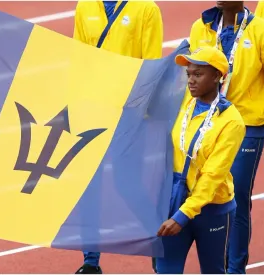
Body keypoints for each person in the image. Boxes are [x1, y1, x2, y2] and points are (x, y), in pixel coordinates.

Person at [72, 1, 164, 273]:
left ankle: (162, 246)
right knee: (88, 188)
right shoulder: (85, 6)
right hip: (93, 111)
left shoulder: (146, 9)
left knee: (128, 185)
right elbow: (79, 59)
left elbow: (152, 64)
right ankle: (91, 262)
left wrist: (137, 113)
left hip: (128, 113)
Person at [186, 2, 264, 273]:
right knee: (208, 195)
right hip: (207, 124)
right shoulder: (201, 27)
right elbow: (192, 75)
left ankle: (235, 269)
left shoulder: (260, 29)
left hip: (247, 125)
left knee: (238, 199)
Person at [155, 46, 244, 274]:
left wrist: (183, 215)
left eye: (198, 74)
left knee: (213, 271)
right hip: (175, 201)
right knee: (166, 271)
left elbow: (213, 175)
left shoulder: (231, 122)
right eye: (189, 74)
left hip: (212, 209)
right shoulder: (185, 101)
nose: (191, 81)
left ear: (217, 76)